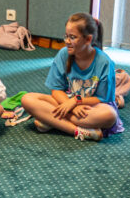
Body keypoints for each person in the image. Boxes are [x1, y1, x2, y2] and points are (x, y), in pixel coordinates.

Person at [19, 12, 123, 142]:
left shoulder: (105, 62)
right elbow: (56, 90)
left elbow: (102, 99)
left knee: (110, 115)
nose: (67, 41)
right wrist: (72, 107)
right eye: (66, 36)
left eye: (73, 37)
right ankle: (79, 130)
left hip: (91, 107)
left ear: (88, 39)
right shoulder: (63, 54)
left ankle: (52, 121)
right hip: (66, 103)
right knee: (27, 99)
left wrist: (76, 102)